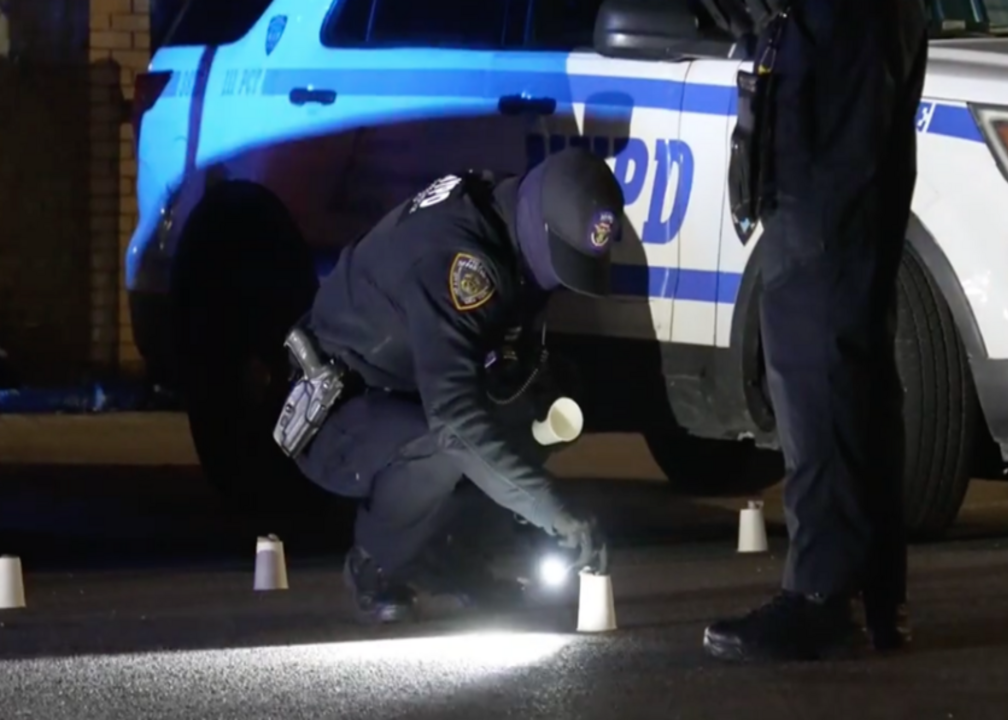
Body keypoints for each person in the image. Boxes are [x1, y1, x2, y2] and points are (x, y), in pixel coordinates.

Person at [274, 147, 623, 624]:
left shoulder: (508, 215)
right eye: (560, 261)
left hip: (403, 388)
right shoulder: (462, 261)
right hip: (338, 407)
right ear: (539, 230)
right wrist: (550, 506)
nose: (559, 283)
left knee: (547, 403)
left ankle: (451, 554)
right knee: (445, 445)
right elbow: (454, 420)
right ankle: (377, 562)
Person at [705, 0, 929, 661]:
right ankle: (877, 593)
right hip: (872, 33)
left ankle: (824, 594)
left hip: (829, 44)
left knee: (815, 338)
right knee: (854, 335)